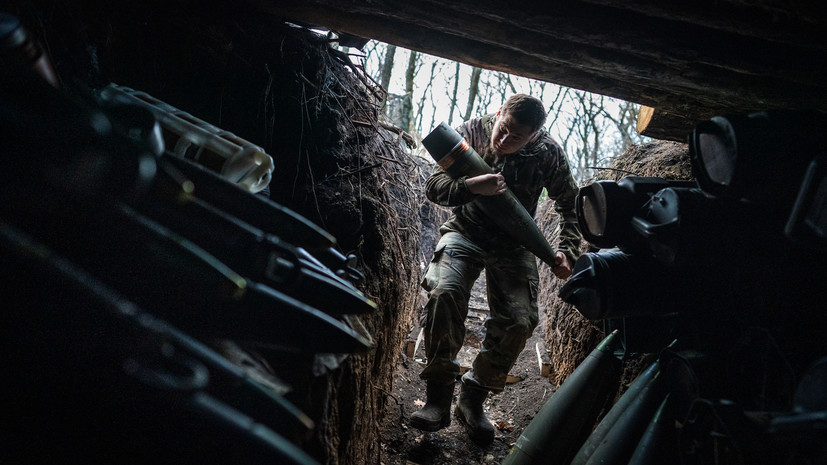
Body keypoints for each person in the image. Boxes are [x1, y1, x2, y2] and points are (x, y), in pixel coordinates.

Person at [410, 94, 581, 445]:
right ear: (500, 112)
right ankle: (438, 397)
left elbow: (571, 206)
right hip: (465, 233)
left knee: (520, 321)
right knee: (444, 293)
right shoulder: (471, 132)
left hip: (513, 246)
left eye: (515, 137)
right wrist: (471, 186)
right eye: (503, 129)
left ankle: (473, 397)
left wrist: (568, 252)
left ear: (534, 135)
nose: (503, 141)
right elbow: (433, 186)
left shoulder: (549, 154)